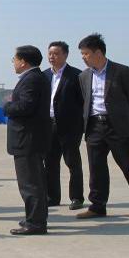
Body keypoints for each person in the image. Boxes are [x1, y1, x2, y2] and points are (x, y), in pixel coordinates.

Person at [76, 33, 129, 219]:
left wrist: (120, 115)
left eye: (86, 53)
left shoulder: (121, 71)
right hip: (94, 127)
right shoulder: (83, 76)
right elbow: (84, 100)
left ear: (98, 53)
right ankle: (97, 206)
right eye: (82, 54)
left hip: (116, 127)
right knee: (96, 169)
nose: (83, 57)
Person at [3, 45, 51, 235]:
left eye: (14, 59)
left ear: (23, 61)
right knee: (35, 182)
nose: (13, 63)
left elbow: (25, 106)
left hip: (27, 139)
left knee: (30, 183)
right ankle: (35, 217)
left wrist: (7, 105)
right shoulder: (35, 77)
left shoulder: (32, 79)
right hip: (31, 139)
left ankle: (36, 223)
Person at [43, 41, 85, 209]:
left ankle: (77, 197)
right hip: (48, 125)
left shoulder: (77, 75)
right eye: (50, 53)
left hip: (69, 127)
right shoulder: (44, 75)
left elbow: (83, 102)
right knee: (50, 163)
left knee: (73, 163)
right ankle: (52, 197)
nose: (52, 57)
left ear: (65, 55)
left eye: (56, 53)